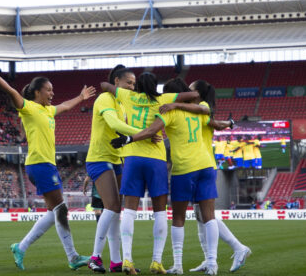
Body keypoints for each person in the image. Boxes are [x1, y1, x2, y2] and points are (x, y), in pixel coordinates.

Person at [0, 55, 94, 271]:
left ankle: (21, 247)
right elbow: (12, 92)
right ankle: (72, 257)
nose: (52, 94)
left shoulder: (48, 110)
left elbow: (65, 105)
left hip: (47, 165)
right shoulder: (28, 108)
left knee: (56, 212)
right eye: (49, 90)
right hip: (39, 164)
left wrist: (81, 97)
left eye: (53, 90)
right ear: (37, 92)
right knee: (61, 210)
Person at [111, 78, 216, 275]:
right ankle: (157, 261)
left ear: (137, 86)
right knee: (161, 212)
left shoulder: (129, 96)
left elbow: (105, 86)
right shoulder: (167, 101)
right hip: (159, 160)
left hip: (134, 156)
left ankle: (126, 258)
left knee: (130, 210)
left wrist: (118, 86)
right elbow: (201, 104)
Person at [167, 80, 251, 274]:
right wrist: (228, 124)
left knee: (205, 216)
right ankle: (211, 258)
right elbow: (215, 123)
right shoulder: (196, 109)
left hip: (199, 164)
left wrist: (228, 124)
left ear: (197, 94)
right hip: (203, 164)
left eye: (190, 89)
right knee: (200, 216)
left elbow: (212, 121)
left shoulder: (201, 108)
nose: (187, 91)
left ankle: (235, 248)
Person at [86, 64, 155, 273]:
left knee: (116, 210)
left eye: (134, 84)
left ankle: (116, 261)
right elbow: (114, 124)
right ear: (116, 81)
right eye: (129, 83)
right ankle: (95, 257)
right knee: (113, 206)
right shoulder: (105, 99)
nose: (132, 87)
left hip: (117, 159)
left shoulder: (123, 103)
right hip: (99, 158)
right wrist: (145, 132)